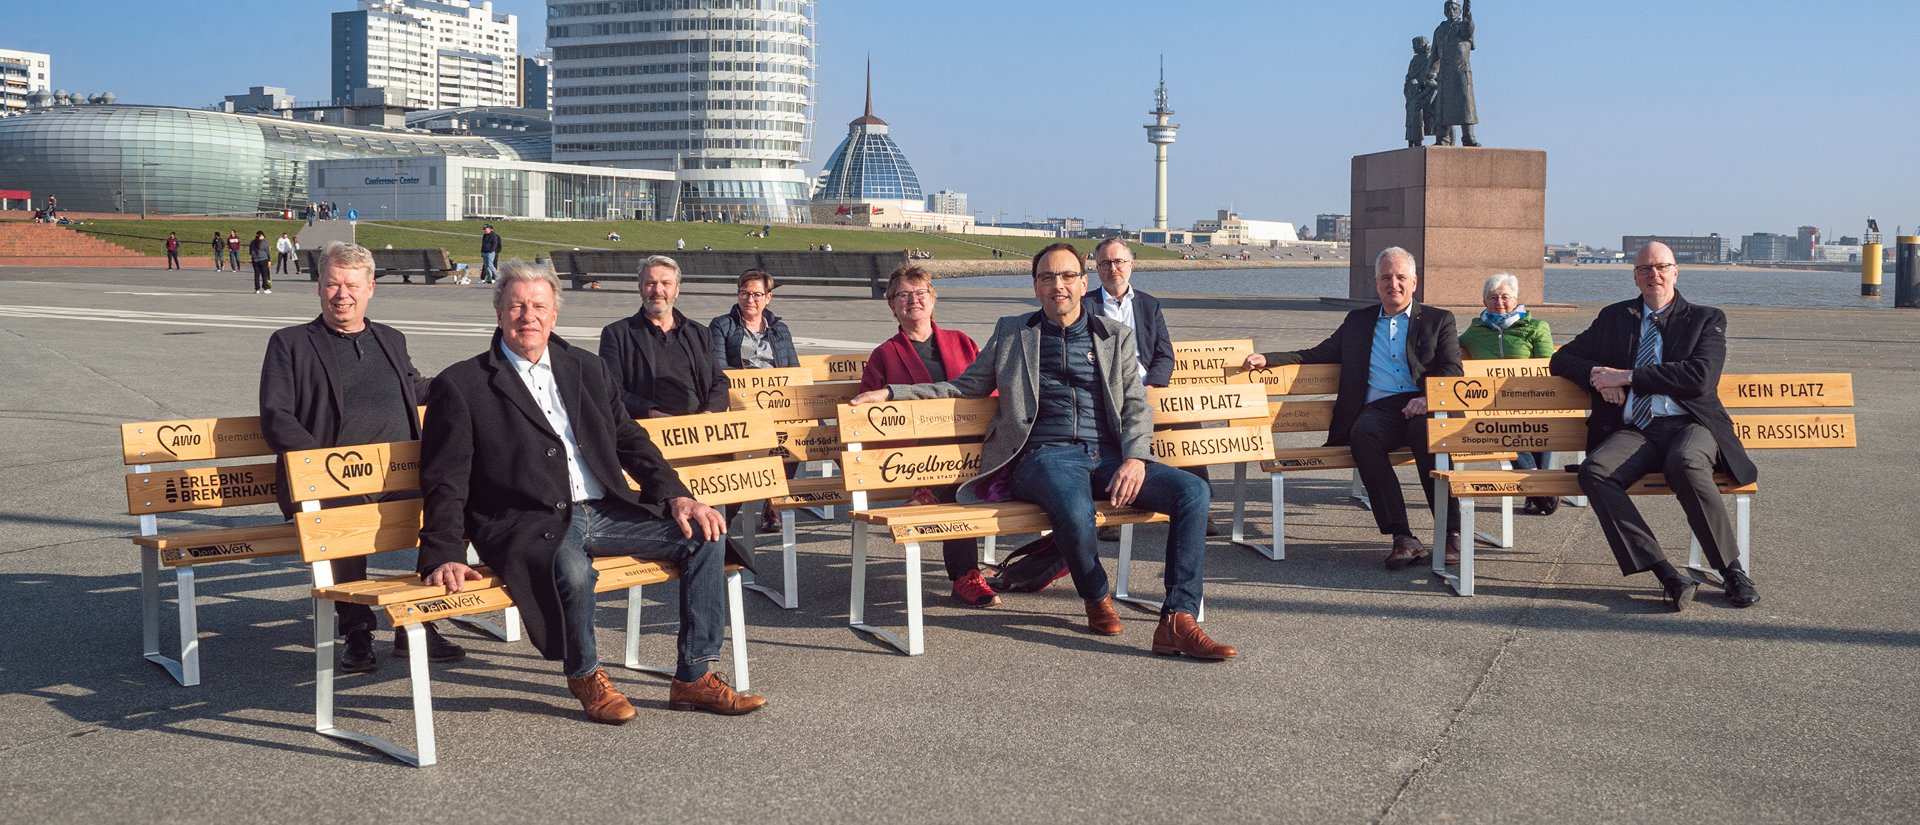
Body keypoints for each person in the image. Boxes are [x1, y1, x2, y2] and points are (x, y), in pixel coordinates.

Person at [417, 260, 766, 723]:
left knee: (705, 534)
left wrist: (676, 495)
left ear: (555, 314)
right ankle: (585, 673)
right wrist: (443, 550)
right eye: (517, 305)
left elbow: (629, 439)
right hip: (529, 518)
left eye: (539, 306)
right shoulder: (463, 384)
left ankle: (694, 677)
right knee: (575, 572)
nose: (528, 316)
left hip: (605, 508)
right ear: (499, 311)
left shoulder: (585, 368)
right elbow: (447, 478)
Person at [851, 243, 1237, 660]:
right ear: (1036, 286)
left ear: (1083, 283)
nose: (1059, 285)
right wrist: (892, 392)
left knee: (1193, 492)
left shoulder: (1116, 337)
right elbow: (965, 387)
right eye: (1048, 277)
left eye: (1068, 276)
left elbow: (1134, 406)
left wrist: (1136, 458)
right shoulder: (1013, 332)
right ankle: (1096, 595)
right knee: (1074, 510)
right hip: (1041, 456)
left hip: (1106, 455)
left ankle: (1178, 619)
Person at [258, 241, 465, 673]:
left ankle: (418, 622)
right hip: (330, 482)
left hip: (397, 476)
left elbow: (416, 387)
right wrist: (325, 469)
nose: (342, 294)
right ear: (319, 287)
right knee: (341, 516)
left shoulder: (390, 338)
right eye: (332, 284)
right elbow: (277, 416)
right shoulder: (291, 344)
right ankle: (357, 630)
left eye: (351, 284)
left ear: (370, 288)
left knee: (452, 503)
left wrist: (470, 384)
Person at [1550, 242, 1759, 612]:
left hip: (1691, 424)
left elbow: (1699, 378)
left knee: (1687, 463)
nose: (1654, 275)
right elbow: (1561, 358)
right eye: (1645, 269)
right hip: (1637, 430)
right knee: (1594, 472)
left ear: (1676, 272)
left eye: (1662, 267)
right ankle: (1666, 573)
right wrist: (1599, 376)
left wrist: (1628, 377)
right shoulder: (1615, 318)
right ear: (1635, 276)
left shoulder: (1706, 318)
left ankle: (1731, 571)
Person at [1242, 246, 1464, 568]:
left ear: (1414, 282)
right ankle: (1403, 537)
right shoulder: (1358, 322)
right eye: (1386, 277)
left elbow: (1452, 370)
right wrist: (1269, 359)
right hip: (1381, 410)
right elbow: (1319, 353)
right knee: (1364, 435)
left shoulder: (1438, 320)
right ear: (1376, 283)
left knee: (1427, 434)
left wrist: (1429, 398)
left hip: (1423, 404)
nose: (1394, 284)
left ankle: (1450, 533)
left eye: (1401, 277)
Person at [856, 265, 999, 607]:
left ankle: (931, 495)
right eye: (903, 295)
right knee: (960, 485)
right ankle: (964, 574)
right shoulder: (885, 354)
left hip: (970, 447)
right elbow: (866, 414)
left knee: (965, 474)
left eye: (920, 293)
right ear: (892, 305)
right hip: (915, 456)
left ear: (933, 300)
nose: (913, 300)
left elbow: (989, 394)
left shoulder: (961, 341)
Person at [1084, 238, 1218, 541]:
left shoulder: (1148, 304)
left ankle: (1201, 509)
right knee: (1114, 433)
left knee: (1186, 427)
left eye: (1119, 262)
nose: (1113, 268)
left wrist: (1154, 385)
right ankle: (1114, 515)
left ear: (1131, 265)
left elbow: (1164, 354)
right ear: (1096, 268)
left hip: (1148, 390)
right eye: (1105, 263)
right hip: (1106, 392)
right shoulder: (1085, 306)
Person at [708, 267, 800, 533]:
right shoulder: (722, 325)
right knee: (740, 451)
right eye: (744, 293)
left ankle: (773, 503)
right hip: (739, 403)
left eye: (757, 294)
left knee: (795, 433)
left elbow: (793, 370)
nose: (750, 300)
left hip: (776, 403)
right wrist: (756, 382)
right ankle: (727, 511)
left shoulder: (780, 329)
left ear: (768, 298)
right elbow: (719, 369)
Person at [1458, 272, 1558, 514]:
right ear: (1484, 302)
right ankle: (1539, 487)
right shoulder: (1474, 331)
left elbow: (1547, 364)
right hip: (1492, 405)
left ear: (1516, 299)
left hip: (1532, 398)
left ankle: (1536, 487)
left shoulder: (1535, 327)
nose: (1499, 302)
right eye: (1492, 297)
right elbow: (1451, 349)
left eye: (1505, 297)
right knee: (1502, 422)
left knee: (1541, 420)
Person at [598, 255, 730, 419]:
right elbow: (611, 389)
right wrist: (651, 414)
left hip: (698, 429)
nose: (658, 290)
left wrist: (709, 414)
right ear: (640, 288)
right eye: (650, 283)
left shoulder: (700, 333)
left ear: (677, 290)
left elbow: (719, 381)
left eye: (666, 283)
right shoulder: (617, 335)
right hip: (647, 430)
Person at [1429, 0, 1479, 146]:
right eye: (1448, 8)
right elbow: (1434, 55)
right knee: (1443, 107)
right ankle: (1443, 138)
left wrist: (1467, 9)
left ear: (1459, 10)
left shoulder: (1462, 26)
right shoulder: (1439, 30)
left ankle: (1469, 138)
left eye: (1455, 7)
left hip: (1460, 72)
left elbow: (1469, 28)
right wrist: (1430, 73)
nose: (1451, 10)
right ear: (1444, 11)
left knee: (1465, 105)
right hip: (1444, 74)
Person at [1404, 36, 1438, 148]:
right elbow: (1409, 76)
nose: (1413, 47)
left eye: (1416, 45)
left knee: (1416, 105)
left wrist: (1422, 82)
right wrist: (1410, 82)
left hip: (1430, 90)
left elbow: (1433, 77)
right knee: (1410, 105)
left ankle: (1418, 138)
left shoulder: (1431, 59)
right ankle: (1411, 138)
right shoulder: (1414, 60)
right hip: (1416, 91)